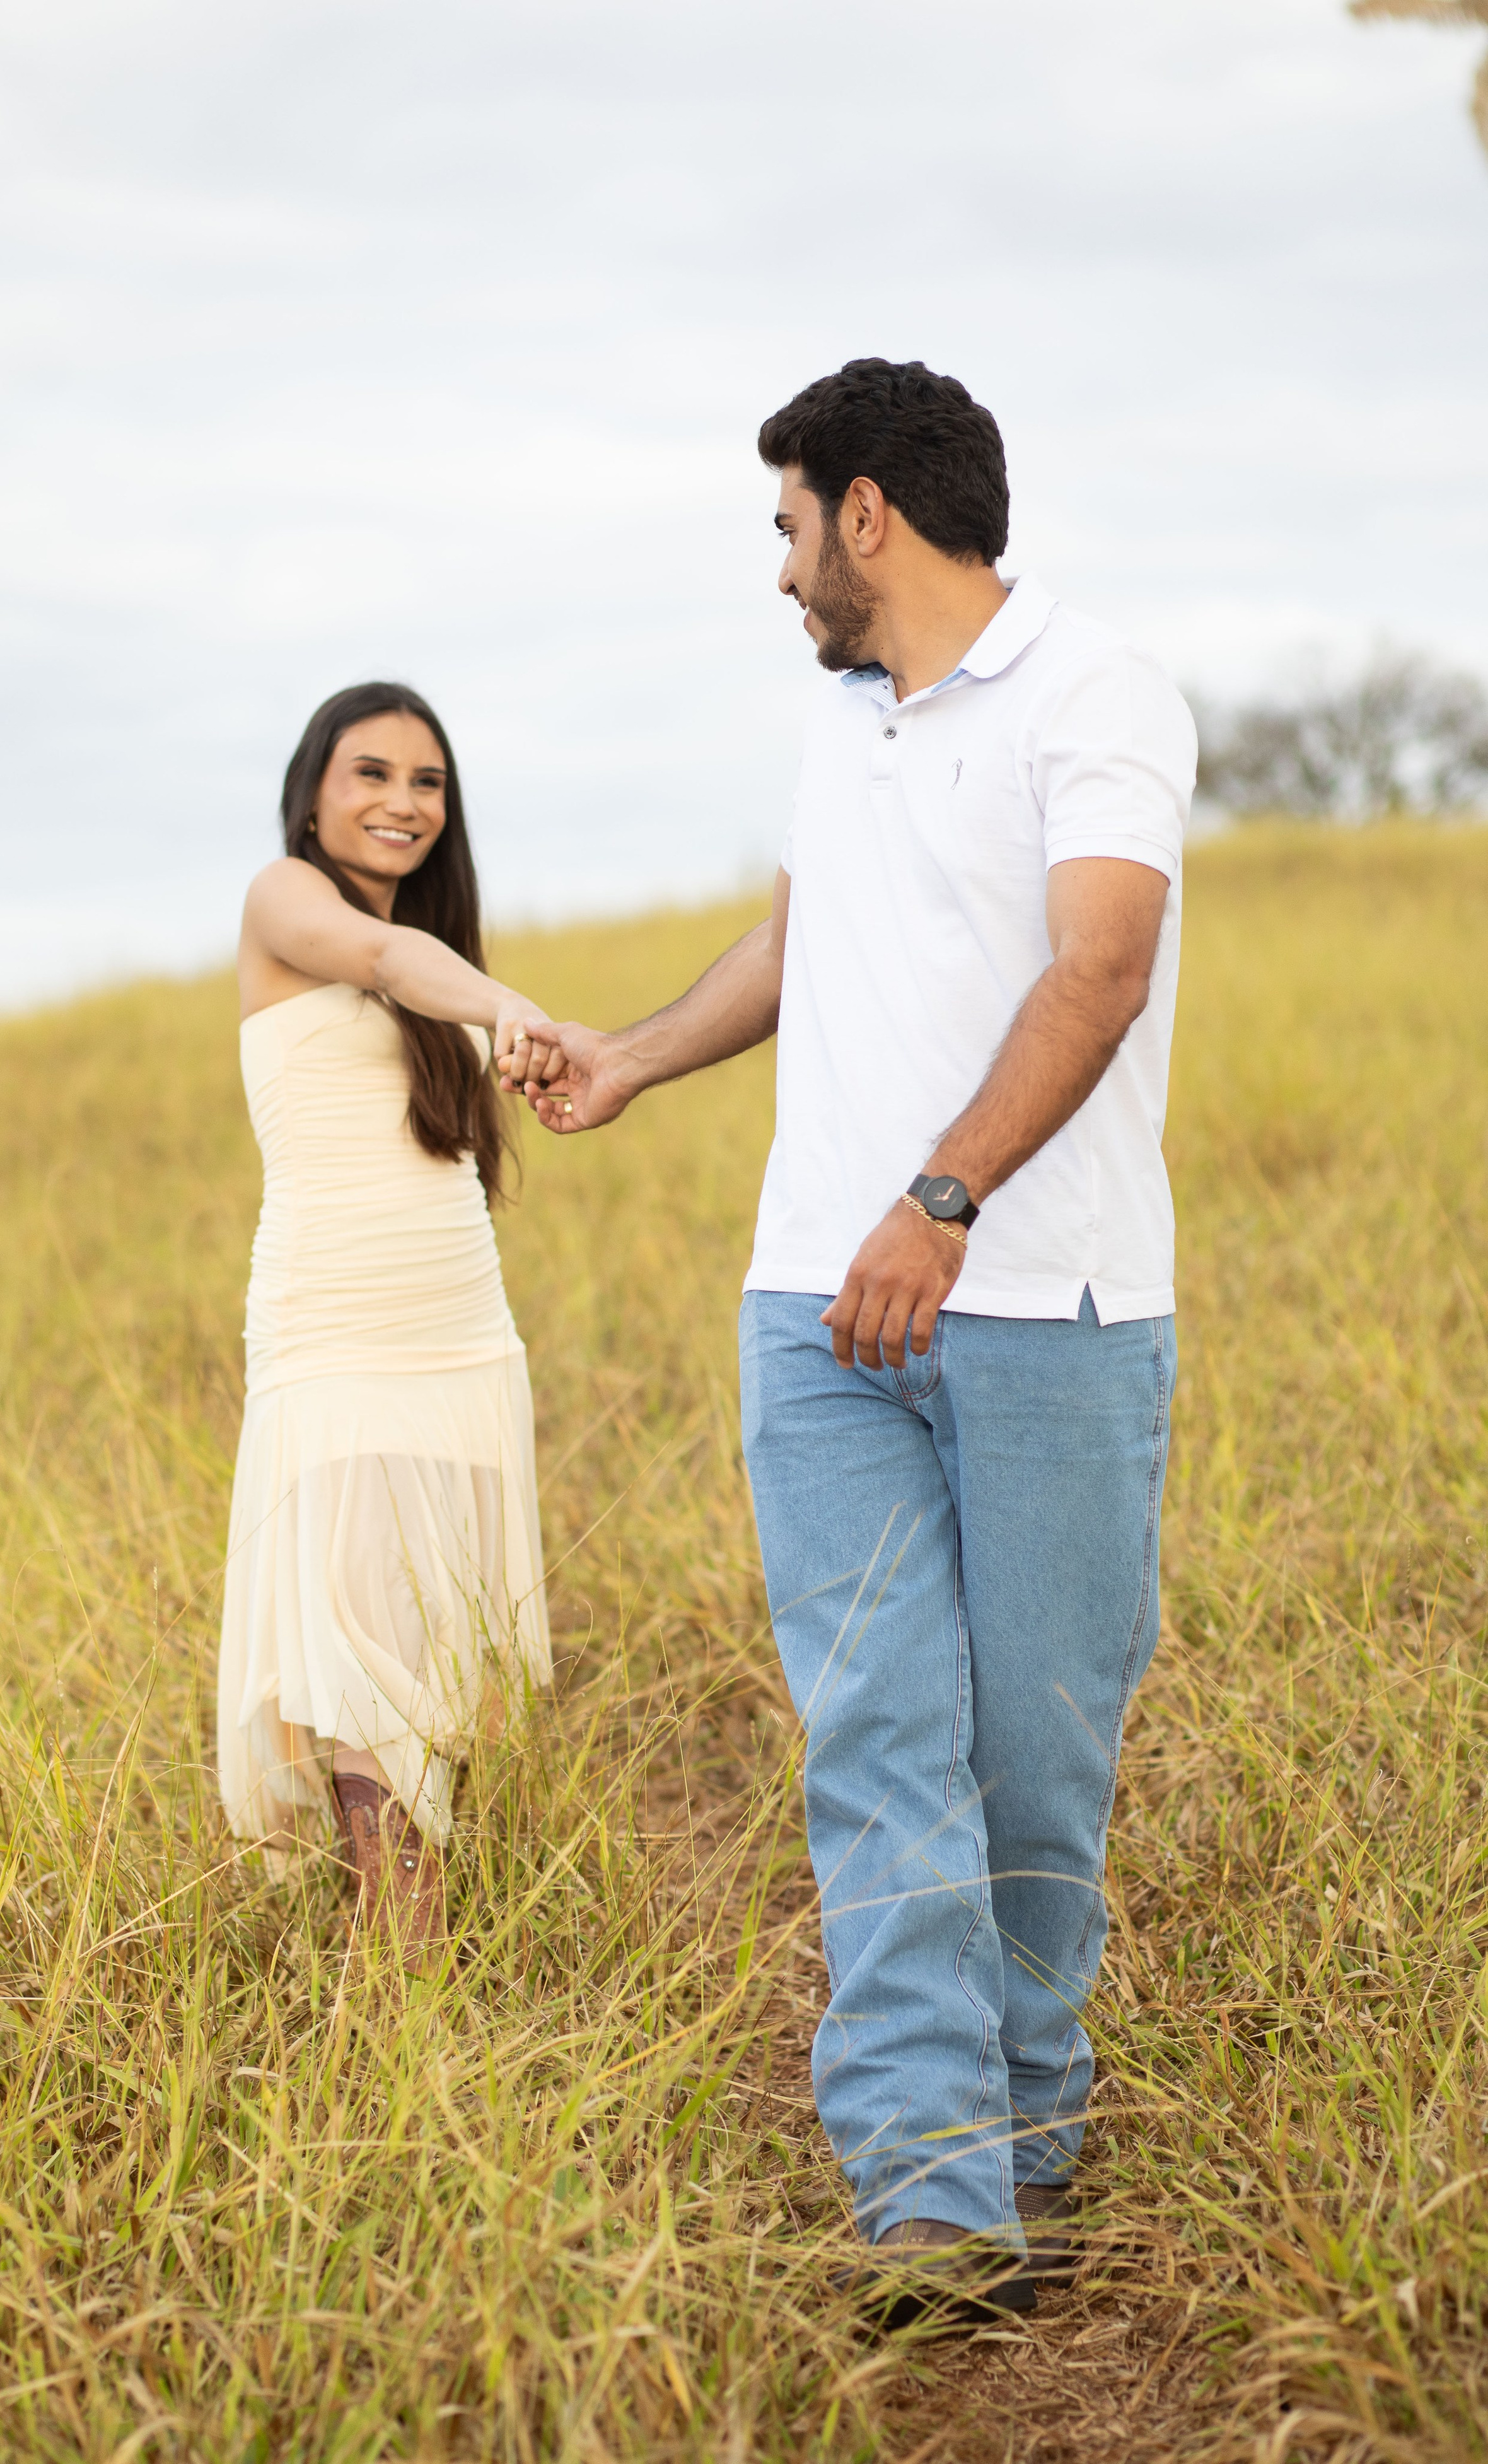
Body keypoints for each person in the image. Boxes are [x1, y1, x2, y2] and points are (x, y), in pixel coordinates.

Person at [506, 359, 1196, 2322]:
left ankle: (1032, 2127)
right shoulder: (846, 725)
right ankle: (931, 2195)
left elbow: (1103, 963)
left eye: (788, 525)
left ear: (866, 514)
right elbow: (809, 938)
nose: (783, 569)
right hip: (814, 1315)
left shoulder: (1099, 693)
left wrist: (943, 1200)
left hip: (1049, 1310)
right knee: (878, 1734)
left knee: (1034, 1759)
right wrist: (635, 1057)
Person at [220, 681, 562, 1966]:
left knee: (425, 1632)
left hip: (462, 1331)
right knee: (354, 1632)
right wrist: (501, 1005)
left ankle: (406, 1929)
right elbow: (376, 960)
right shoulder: (287, 901)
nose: (401, 803)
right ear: (315, 791)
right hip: (334, 1329)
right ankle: (400, 1943)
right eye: (371, 774)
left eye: (426, 783)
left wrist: (528, 1054)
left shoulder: (439, 956)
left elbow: (444, 1114)